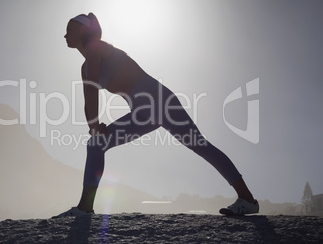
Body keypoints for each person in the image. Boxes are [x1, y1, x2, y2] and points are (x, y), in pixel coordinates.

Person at [59, 13, 259, 217]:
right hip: (142, 111)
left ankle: (247, 199)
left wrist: (94, 126)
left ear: (83, 29)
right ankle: (85, 208)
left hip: (161, 100)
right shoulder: (84, 68)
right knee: (96, 144)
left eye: (69, 29)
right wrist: (93, 126)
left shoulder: (96, 47)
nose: (65, 35)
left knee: (200, 145)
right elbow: (88, 99)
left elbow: (92, 89)